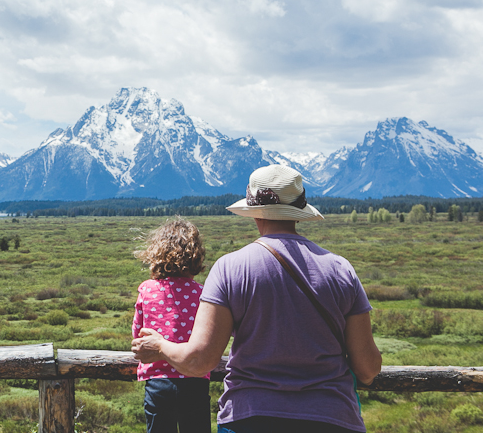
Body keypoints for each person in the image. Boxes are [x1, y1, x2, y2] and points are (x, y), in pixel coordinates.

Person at [132, 164, 382, 433]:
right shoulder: (341, 269)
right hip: (332, 417)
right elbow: (367, 368)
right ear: (298, 212)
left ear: (254, 213)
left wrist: (159, 347)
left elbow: (200, 361)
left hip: (250, 416)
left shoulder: (230, 268)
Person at [132, 217, 210, 433]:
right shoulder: (203, 293)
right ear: (195, 256)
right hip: (195, 379)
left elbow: (137, 334)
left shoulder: (147, 290)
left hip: (158, 382)